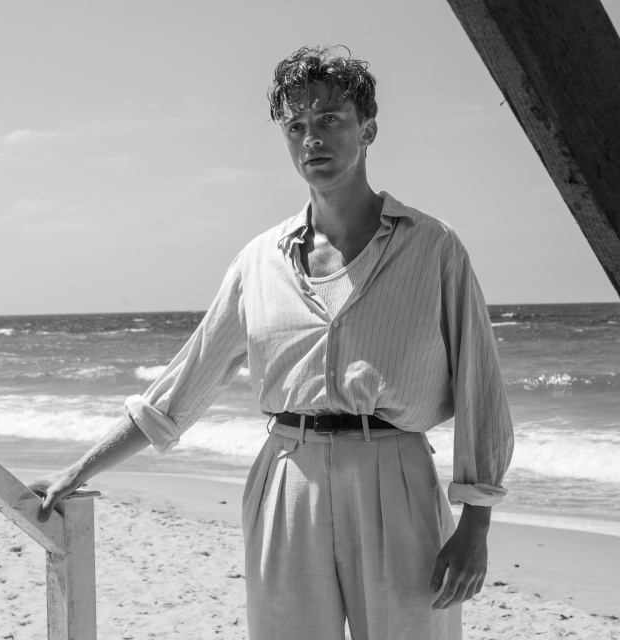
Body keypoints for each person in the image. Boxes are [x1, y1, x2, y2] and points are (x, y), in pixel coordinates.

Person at [34, 45, 514, 640]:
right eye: (296, 126)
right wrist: (76, 470)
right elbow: (179, 392)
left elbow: (481, 390)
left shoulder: (434, 247)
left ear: (368, 129)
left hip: (397, 477)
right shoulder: (259, 260)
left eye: (330, 119)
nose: (312, 138)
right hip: (287, 478)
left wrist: (476, 526)